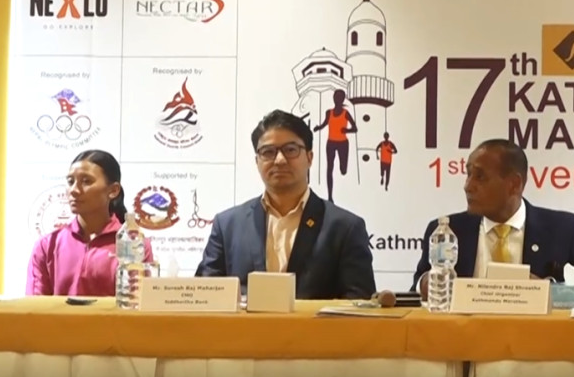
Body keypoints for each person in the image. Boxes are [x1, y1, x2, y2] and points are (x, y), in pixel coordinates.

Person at [196, 109, 376, 299]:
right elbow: (204, 297)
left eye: (290, 150)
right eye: (268, 152)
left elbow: (359, 303)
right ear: (257, 161)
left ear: (310, 157)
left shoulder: (345, 227)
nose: (280, 160)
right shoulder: (227, 226)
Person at [410, 138, 574, 303]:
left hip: (536, 336)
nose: (468, 186)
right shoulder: (447, 231)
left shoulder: (565, 230)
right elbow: (415, 294)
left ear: (514, 184)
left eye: (480, 177)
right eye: (468, 174)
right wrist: (426, 284)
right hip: (464, 336)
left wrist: (546, 292)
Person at [27, 150, 155, 296]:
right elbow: (35, 305)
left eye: (86, 181)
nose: (74, 190)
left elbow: (139, 303)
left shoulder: (134, 245)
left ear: (113, 190)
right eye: (70, 182)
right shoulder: (47, 246)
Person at [310, 89, 356, 203]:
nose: (337, 99)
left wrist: (347, 130)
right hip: (331, 143)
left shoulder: (345, 113)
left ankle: (343, 167)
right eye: (335, 97)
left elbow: (355, 128)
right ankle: (330, 195)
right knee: (329, 168)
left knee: (343, 170)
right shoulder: (329, 112)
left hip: (343, 143)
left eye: (339, 98)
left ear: (342, 99)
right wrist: (318, 127)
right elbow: (325, 123)